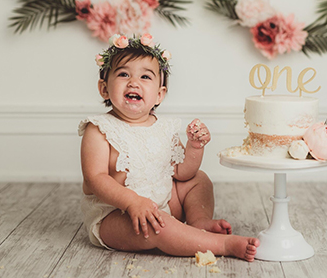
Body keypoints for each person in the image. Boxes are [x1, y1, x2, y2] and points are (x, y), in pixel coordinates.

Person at [79, 34, 259, 261]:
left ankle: (198, 222)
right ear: (104, 89)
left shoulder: (164, 127)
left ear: (159, 95)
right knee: (157, 228)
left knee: (198, 180)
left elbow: (182, 172)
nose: (134, 82)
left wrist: (195, 148)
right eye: (124, 74)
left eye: (145, 76)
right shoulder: (99, 129)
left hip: (163, 203)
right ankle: (223, 244)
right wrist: (132, 202)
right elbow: (95, 179)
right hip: (117, 215)